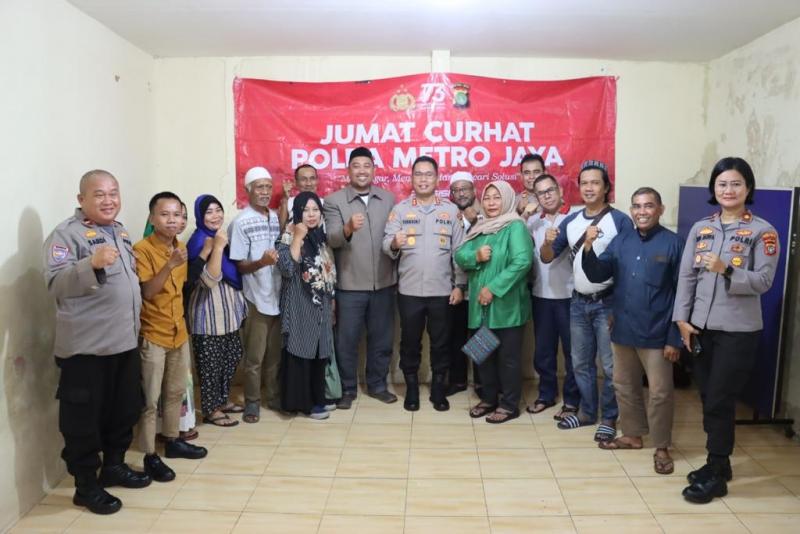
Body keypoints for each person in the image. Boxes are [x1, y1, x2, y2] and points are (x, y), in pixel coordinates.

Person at [674, 157, 779, 503]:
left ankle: (717, 469)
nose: (728, 190)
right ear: (713, 189)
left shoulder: (763, 231)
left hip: (738, 331)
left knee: (720, 399)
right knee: (707, 397)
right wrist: (682, 320)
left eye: (735, 184)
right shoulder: (702, 228)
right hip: (701, 329)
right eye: (722, 184)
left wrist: (727, 270)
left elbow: (764, 281)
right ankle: (718, 462)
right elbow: (687, 277)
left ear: (748, 188)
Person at [44, 170, 149, 514]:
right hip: (86, 350)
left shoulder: (118, 231)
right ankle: (85, 486)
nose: (109, 200)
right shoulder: (66, 235)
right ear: (81, 200)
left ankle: (114, 467)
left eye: (113, 193)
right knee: (82, 421)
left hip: (123, 344)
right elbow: (56, 285)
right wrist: (90, 263)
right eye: (99, 194)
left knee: (124, 409)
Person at [582, 187, 683, 474]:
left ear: (660, 209)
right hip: (623, 329)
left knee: (661, 392)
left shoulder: (674, 243)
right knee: (623, 386)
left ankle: (662, 446)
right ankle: (632, 434)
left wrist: (674, 338)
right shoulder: (621, 240)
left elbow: (682, 294)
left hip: (658, 333)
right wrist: (588, 247)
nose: (642, 211)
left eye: (648, 206)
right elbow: (599, 274)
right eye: (637, 206)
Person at [540, 160, 632, 443]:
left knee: (610, 365)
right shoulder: (571, 221)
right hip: (578, 303)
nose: (589, 187)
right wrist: (547, 240)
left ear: (606, 187)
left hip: (608, 303)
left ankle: (609, 417)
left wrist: (620, 306)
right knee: (580, 363)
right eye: (584, 183)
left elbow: (628, 266)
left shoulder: (619, 221)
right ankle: (587, 412)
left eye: (595, 182)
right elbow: (547, 257)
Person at [134, 192, 208, 483]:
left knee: (176, 392)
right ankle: (150, 455)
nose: (172, 220)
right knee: (151, 399)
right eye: (165, 214)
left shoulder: (180, 246)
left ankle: (173, 440)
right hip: (153, 333)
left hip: (179, 331)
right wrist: (169, 265)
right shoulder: (142, 249)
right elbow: (148, 292)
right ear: (152, 219)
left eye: (177, 214)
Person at [383, 156, 465, 412]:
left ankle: (439, 390)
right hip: (409, 292)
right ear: (412, 178)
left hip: (442, 292)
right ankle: (412, 390)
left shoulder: (451, 211)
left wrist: (460, 285)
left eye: (428, 174)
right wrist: (394, 243)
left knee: (441, 343)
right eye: (418, 174)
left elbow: (459, 253)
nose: (423, 179)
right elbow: (386, 244)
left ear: (437, 178)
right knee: (409, 343)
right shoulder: (400, 209)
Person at [324, 146, 398, 409]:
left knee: (382, 339)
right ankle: (347, 389)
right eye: (357, 165)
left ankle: (377, 385)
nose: (362, 170)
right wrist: (347, 228)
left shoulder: (389, 199)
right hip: (350, 286)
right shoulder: (334, 201)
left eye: (367, 165)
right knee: (347, 341)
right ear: (348, 170)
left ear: (374, 170)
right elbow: (331, 238)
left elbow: (396, 237)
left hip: (384, 283)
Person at [455, 181, 533, 424]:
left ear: (507, 200)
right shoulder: (480, 227)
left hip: (506, 306)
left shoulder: (515, 227)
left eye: (496, 198)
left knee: (508, 358)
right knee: (482, 355)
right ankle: (489, 399)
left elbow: (522, 262)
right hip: (480, 307)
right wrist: (475, 257)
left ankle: (509, 405)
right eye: (487, 198)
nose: (491, 203)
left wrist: (493, 288)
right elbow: (460, 255)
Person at [186, 195, 247, 427]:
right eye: (209, 212)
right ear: (200, 217)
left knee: (230, 357)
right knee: (210, 365)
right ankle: (211, 410)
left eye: (218, 210)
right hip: (208, 316)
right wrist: (218, 248)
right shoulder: (200, 241)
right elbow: (209, 280)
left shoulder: (218, 236)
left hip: (227, 315)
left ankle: (221, 401)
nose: (215, 216)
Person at [276, 192, 337, 419]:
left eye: (315, 210)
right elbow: (286, 268)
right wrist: (297, 238)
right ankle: (303, 403)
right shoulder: (287, 235)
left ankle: (318, 398)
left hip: (320, 305)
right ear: (297, 212)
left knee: (320, 353)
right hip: (300, 304)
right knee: (301, 352)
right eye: (306, 210)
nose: (311, 215)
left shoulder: (321, 236)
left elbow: (328, 270)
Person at [229, 166, 283, 423]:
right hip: (255, 298)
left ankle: (272, 396)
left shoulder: (273, 217)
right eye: (259, 187)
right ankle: (252, 402)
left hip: (277, 295)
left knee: (274, 354)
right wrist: (261, 263)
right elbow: (239, 265)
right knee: (254, 357)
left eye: (267, 187)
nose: (264, 192)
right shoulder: (240, 222)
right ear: (248, 189)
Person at [526, 173, 580, 418]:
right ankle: (546, 395)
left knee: (573, 352)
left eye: (550, 190)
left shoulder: (575, 218)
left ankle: (571, 400)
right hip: (541, 296)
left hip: (570, 295)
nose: (546, 196)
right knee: (544, 352)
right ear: (535, 197)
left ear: (560, 191)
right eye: (540, 193)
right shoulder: (532, 223)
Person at [446, 171, 482, 397]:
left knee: (480, 338)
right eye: (456, 190)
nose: (461, 194)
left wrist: (476, 220)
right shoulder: (449, 216)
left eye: (465, 189)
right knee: (456, 337)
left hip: (480, 290)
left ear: (474, 191)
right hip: (455, 289)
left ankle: (482, 382)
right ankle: (458, 381)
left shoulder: (487, 213)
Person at [516, 153, 545, 218]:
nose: (531, 177)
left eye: (536, 172)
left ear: (544, 173)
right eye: (527, 173)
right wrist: (518, 212)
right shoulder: (515, 202)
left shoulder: (553, 198)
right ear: (521, 176)